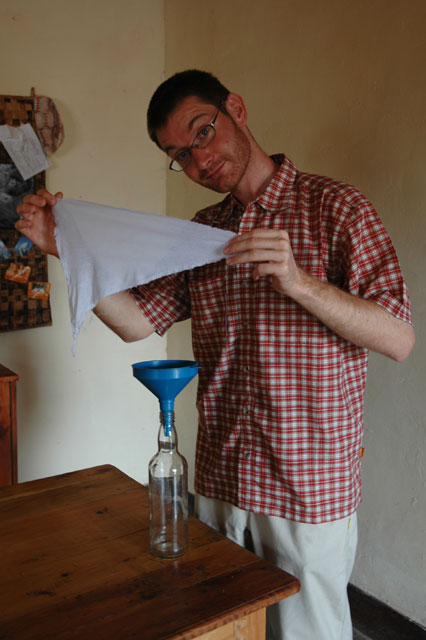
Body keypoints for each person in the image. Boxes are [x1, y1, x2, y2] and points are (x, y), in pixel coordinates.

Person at [16, 70, 414, 640]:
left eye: (202, 132)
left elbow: (399, 338)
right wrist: (65, 249)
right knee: (222, 629)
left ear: (236, 110)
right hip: (222, 478)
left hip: (306, 484)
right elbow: (135, 322)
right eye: (180, 155)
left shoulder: (337, 208)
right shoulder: (203, 233)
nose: (200, 160)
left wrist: (299, 282)